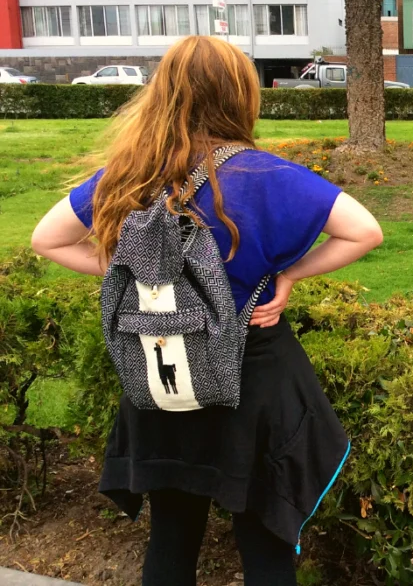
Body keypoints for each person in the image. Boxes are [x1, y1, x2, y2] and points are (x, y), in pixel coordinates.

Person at [31, 35, 383, 586]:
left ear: (164, 94)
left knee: (170, 539)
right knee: (265, 545)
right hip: (251, 382)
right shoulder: (267, 176)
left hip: (163, 381)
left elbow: (47, 239)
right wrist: (289, 273)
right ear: (241, 95)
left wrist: (138, 272)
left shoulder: (131, 177)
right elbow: (365, 231)